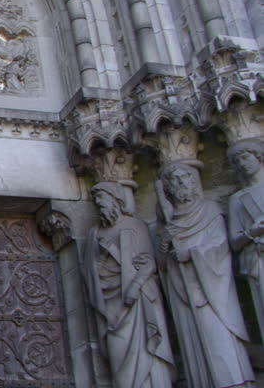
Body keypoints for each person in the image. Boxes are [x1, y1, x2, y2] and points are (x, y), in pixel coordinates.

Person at [156, 162, 254, 388]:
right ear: (167, 188)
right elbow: (161, 266)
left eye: (184, 177)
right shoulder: (167, 223)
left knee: (219, 341)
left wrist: (191, 254)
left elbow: (219, 246)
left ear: (194, 182)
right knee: (195, 346)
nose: (181, 182)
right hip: (183, 293)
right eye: (174, 180)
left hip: (211, 289)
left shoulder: (210, 210)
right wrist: (164, 242)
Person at [81, 182, 174, 388]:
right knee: (119, 362)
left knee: (148, 352)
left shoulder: (135, 226)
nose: (98, 203)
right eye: (95, 200)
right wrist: (101, 260)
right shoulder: (94, 234)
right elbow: (88, 271)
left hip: (138, 300)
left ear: (116, 199)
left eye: (102, 197)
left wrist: (134, 286)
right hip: (110, 305)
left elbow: (149, 263)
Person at [227, 138, 264, 339]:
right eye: (237, 161)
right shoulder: (238, 199)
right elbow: (234, 242)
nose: (242, 164)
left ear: (259, 157)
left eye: (245, 157)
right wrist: (252, 232)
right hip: (259, 260)